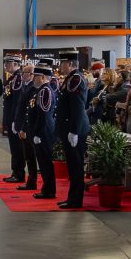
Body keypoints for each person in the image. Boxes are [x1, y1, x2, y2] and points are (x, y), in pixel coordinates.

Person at [56, 65, 90, 209]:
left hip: (74, 127)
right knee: (72, 166)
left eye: (63, 62)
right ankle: (72, 198)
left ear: (70, 64)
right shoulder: (70, 79)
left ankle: (75, 200)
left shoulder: (76, 79)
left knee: (76, 166)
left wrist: (74, 130)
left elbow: (78, 107)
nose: (60, 66)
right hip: (69, 126)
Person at [26, 63, 58, 200]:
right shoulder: (41, 90)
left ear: (43, 77)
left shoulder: (45, 91)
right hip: (41, 130)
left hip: (44, 132)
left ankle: (49, 191)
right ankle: (47, 189)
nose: (34, 78)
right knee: (43, 162)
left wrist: (38, 133)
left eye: (36, 76)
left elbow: (43, 114)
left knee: (45, 162)